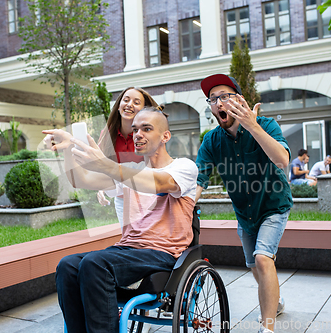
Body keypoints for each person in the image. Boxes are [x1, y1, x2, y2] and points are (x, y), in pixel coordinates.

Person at [42, 106, 198, 333]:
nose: (138, 134)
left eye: (146, 129)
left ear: (165, 136)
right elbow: (80, 179)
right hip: (127, 249)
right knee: (68, 265)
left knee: (95, 263)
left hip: (163, 252)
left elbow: (160, 183)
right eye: (135, 129)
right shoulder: (127, 170)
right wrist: (69, 149)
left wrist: (106, 165)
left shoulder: (184, 167)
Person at [195, 74, 293, 333]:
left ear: (239, 100)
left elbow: (283, 160)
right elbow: (199, 179)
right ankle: (277, 301)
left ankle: (267, 328)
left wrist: (253, 127)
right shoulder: (211, 141)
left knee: (262, 259)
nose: (218, 102)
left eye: (224, 96)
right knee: (254, 265)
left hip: (273, 205)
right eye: (213, 99)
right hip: (245, 214)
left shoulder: (266, 125)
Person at [96, 87, 158, 223]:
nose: (129, 104)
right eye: (126, 100)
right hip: (121, 198)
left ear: (143, 110)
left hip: (147, 197)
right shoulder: (107, 134)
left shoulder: (146, 135)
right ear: (119, 106)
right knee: (128, 239)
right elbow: (102, 166)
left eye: (136, 102)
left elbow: (156, 167)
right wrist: (101, 188)